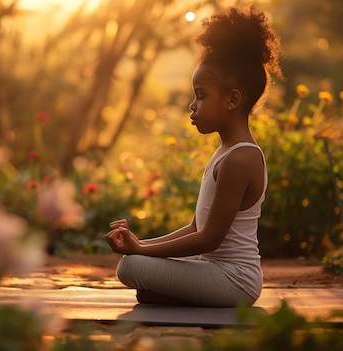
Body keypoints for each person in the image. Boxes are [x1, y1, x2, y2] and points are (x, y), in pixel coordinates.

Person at [104, 5, 283, 307]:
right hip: (214, 270)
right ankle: (170, 294)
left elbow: (209, 240)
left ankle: (175, 294)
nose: (192, 105)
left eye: (201, 95)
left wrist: (139, 252)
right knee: (134, 266)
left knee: (130, 268)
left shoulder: (241, 159)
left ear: (232, 99)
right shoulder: (225, 152)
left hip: (234, 280)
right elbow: (195, 228)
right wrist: (139, 243)